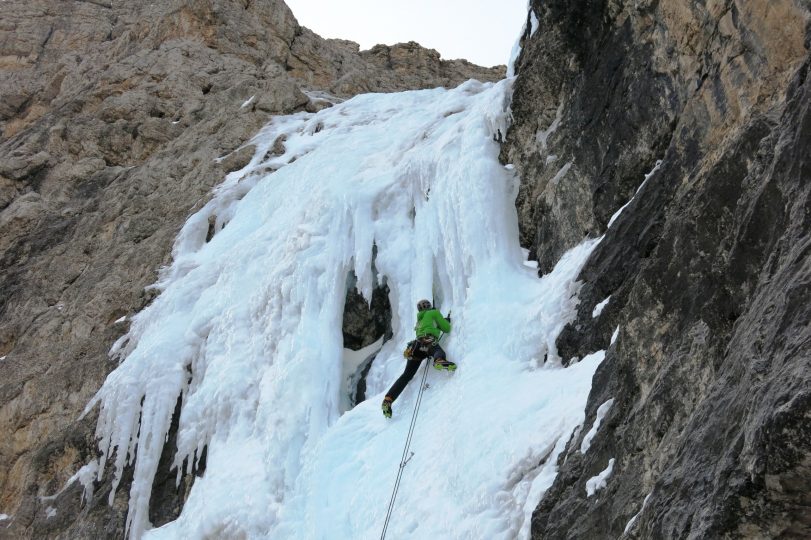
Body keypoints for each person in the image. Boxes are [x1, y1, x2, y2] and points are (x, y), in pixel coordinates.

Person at [382, 299, 455, 418]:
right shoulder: (433, 312)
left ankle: (388, 399)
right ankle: (439, 360)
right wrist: (445, 321)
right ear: (429, 306)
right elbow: (446, 328)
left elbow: (429, 325)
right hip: (427, 342)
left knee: (406, 375)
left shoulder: (419, 320)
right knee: (437, 350)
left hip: (415, 347)